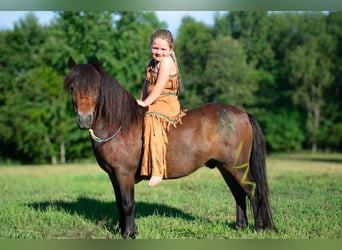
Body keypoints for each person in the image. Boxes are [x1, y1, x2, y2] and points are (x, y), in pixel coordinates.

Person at [137, 29, 186, 187]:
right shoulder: (152, 64)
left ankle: (157, 169)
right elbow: (147, 85)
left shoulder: (166, 62)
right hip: (153, 100)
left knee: (152, 118)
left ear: (170, 49)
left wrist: (146, 104)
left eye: (163, 49)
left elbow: (158, 88)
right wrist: (141, 101)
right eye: (155, 48)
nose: (158, 52)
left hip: (166, 102)